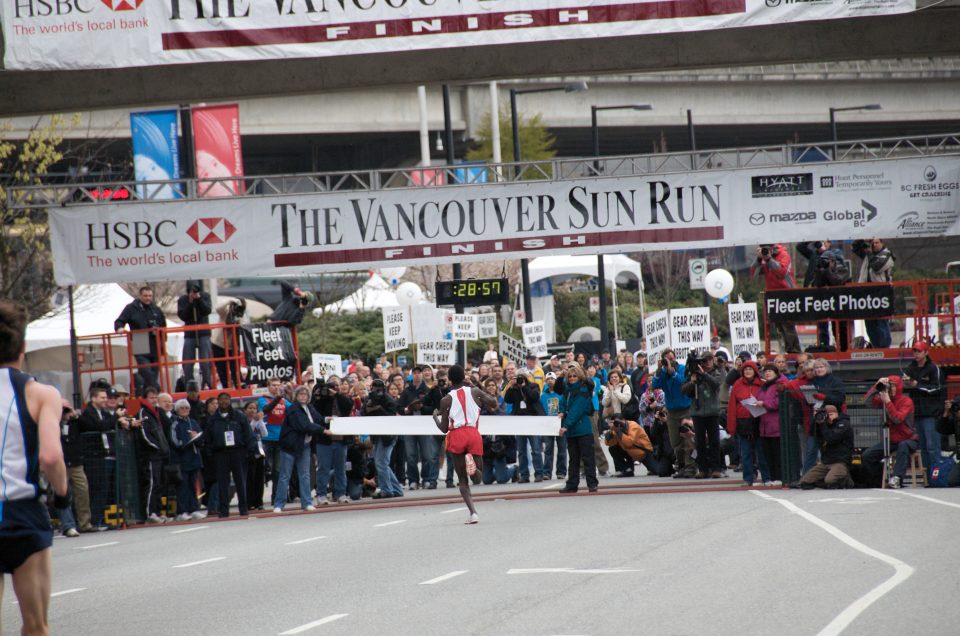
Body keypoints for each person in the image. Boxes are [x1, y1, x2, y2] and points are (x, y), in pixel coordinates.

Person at [0, 301, 69, 636]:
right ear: (23, 347)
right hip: (21, 511)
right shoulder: (40, 393)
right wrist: (63, 494)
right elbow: (51, 457)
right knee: (36, 625)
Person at [432, 365, 500, 524]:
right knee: (478, 478)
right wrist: (477, 386)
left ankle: (473, 513)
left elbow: (443, 429)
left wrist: (435, 416)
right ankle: (474, 468)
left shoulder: (446, 399)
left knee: (462, 479)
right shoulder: (474, 391)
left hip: (456, 435)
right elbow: (493, 403)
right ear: (464, 377)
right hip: (472, 433)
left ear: (449, 379)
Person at [861, 376, 917, 488]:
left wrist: (887, 402)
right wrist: (877, 385)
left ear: (899, 387)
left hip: (908, 439)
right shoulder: (884, 398)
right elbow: (867, 402)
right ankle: (880, 478)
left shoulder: (907, 401)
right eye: (888, 385)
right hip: (891, 440)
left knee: (903, 446)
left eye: (893, 385)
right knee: (867, 455)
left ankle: (897, 478)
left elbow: (897, 419)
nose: (890, 388)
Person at [114, 286, 167, 393]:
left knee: (154, 373)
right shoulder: (131, 308)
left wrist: (162, 342)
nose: (148, 298)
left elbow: (163, 327)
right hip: (140, 340)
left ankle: (148, 395)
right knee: (146, 371)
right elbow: (119, 321)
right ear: (140, 296)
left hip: (155, 343)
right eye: (145, 296)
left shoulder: (155, 309)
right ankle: (158, 391)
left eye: (150, 296)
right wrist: (120, 328)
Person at [750, 244, 801, 353]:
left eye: (767, 249)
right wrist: (759, 259)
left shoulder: (783, 254)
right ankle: (788, 350)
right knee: (779, 326)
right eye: (763, 249)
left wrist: (769, 259)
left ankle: (794, 351)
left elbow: (781, 272)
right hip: (773, 295)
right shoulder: (762, 258)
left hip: (787, 294)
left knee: (788, 325)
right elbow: (753, 274)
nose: (765, 251)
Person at [682, 352, 724, 479]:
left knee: (714, 442)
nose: (707, 362)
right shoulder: (693, 373)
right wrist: (692, 382)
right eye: (704, 360)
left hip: (712, 412)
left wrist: (704, 374)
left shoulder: (717, 372)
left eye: (709, 359)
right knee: (699, 442)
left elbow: (717, 385)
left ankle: (716, 468)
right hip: (697, 412)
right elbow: (683, 390)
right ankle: (702, 469)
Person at [652, 349, 694, 478]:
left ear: (675, 357)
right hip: (672, 411)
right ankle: (681, 466)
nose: (670, 361)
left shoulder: (682, 368)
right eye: (667, 359)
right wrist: (659, 371)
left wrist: (672, 372)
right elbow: (655, 385)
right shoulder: (663, 372)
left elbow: (683, 382)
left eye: (671, 358)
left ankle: (690, 468)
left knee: (687, 439)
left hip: (685, 409)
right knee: (675, 441)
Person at [208, 393, 252, 517]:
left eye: (226, 399)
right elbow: (208, 437)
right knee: (222, 483)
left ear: (230, 401)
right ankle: (223, 510)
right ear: (218, 401)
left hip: (238, 452)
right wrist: (210, 452)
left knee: (240, 481)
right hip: (220, 453)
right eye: (221, 400)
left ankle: (243, 509)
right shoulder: (213, 418)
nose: (224, 402)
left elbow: (247, 434)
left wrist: (249, 450)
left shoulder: (239, 416)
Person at [901, 342, 944, 471]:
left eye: (919, 351)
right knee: (923, 447)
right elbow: (906, 383)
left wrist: (917, 385)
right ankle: (927, 476)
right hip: (917, 413)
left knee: (932, 446)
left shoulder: (933, 368)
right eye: (914, 351)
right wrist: (906, 382)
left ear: (926, 352)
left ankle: (936, 475)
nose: (916, 354)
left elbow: (937, 388)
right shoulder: (911, 368)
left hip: (931, 413)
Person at [558, 364, 599, 494]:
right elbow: (563, 404)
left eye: (574, 376)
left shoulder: (583, 390)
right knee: (573, 459)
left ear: (579, 376)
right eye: (569, 376)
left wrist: (565, 425)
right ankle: (572, 484)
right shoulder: (568, 390)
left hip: (583, 429)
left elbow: (577, 410)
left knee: (588, 458)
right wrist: (562, 411)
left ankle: (592, 484)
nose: (572, 378)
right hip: (572, 431)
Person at [312, 380, 354, 504]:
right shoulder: (321, 399)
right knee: (323, 468)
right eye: (331, 387)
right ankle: (321, 494)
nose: (334, 388)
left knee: (340, 468)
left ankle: (341, 493)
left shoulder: (342, 398)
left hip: (341, 439)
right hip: (324, 439)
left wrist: (336, 394)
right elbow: (314, 411)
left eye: (336, 386)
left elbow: (349, 405)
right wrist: (320, 394)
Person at [797, 402, 854, 489]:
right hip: (826, 462)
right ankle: (826, 481)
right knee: (804, 481)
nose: (829, 417)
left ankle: (846, 479)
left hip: (840, 462)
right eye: (827, 414)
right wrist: (817, 420)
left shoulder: (843, 424)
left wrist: (823, 425)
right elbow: (812, 433)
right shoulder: (824, 425)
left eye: (831, 414)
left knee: (830, 480)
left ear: (837, 414)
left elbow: (831, 438)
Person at [728, 361, 767, 486]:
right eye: (746, 369)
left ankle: (766, 477)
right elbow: (732, 406)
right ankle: (748, 478)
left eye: (750, 369)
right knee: (745, 453)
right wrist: (732, 426)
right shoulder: (737, 385)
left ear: (755, 371)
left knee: (762, 452)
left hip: (759, 421)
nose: (748, 371)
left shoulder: (762, 384)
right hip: (743, 422)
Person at [136, 386, 171, 523]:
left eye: (156, 397)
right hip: (151, 455)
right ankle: (149, 513)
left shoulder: (156, 412)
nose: (154, 400)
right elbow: (144, 434)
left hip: (159, 454)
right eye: (151, 397)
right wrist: (155, 447)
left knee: (158, 484)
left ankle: (156, 511)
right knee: (151, 484)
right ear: (145, 399)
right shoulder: (144, 412)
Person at [504, 370, 545, 483]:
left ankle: (539, 473)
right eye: (518, 377)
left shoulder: (533, 386)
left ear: (527, 377)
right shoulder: (514, 388)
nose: (520, 379)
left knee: (536, 449)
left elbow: (534, 397)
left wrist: (524, 387)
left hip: (532, 421)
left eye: (522, 377)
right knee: (521, 450)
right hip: (519, 422)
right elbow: (507, 399)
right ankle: (524, 475)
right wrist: (512, 387)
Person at [854, 237, 895, 348]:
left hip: (881, 292)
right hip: (866, 293)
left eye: (877, 243)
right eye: (872, 243)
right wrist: (863, 238)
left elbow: (877, 266)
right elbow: (855, 248)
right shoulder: (869, 255)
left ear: (882, 243)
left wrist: (870, 253)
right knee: (869, 322)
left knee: (881, 322)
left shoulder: (887, 255)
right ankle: (876, 345)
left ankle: (884, 347)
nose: (874, 245)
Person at [169, 399, 205, 520]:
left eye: (186, 408)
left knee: (193, 486)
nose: (184, 410)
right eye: (182, 408)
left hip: (194, 459)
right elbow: (174, 441)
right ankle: (182, 511)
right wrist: (186, 442)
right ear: (177, 410)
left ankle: (194, 509)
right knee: (182, 487)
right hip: (182, 459)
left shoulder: (193, 422)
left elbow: (201, 438)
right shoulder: (175, 423)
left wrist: (197, 438)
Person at [177, 280, 213, 390]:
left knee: (205, 361)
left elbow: (207, 310)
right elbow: (183, 316)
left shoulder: (205, 296)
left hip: (203, 333)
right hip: (190, 334)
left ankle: (207, 383)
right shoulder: (183, 299)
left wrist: (199, 299)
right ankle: (189, 384)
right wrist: (190, 302)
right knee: (187, 362)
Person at [756, 363, 787, 485]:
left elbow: (778, 402)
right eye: (766, 371)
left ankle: (779, 478)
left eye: (770, 371)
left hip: (776, 425)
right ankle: (772, 478)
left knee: (777, 454)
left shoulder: (780, 384)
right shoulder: (765, 386)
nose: (767, 373)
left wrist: (763, 403)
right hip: (764, 425)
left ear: (776, 373)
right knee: (768, 454)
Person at [211, 298, 247, 389]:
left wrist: (239, 319)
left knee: (235, 368)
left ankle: (239, 385)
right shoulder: (225, 312)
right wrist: (231, 300)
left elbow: (244, 327)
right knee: (222, 369)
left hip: (233, 347)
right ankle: (226, 387)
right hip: (218, 344)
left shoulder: (241, 316)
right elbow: (218, 308)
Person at [243, 401, 268, 510]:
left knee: (259, 477)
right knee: (250, 478)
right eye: (250, 408)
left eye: (254, 408)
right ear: (245, 410)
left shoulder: (258, 421)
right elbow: (249, 432)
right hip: (249, 452)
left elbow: (264, 433)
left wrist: (260, 421)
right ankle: (250, 501)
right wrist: (254, 421)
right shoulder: (244, 421)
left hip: (259, 450)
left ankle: (259, 501)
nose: (252, 410)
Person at [541, 375, 566, 481]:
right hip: (548, 424)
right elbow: (541, 409)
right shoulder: (543, 396)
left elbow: (565, 406)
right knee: (548, 449)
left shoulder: (561, 393)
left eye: (552, 379)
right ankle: (547, 472)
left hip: (560, 423)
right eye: (548, 379)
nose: (550, 381)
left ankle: (561, 472)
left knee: (562, 449)